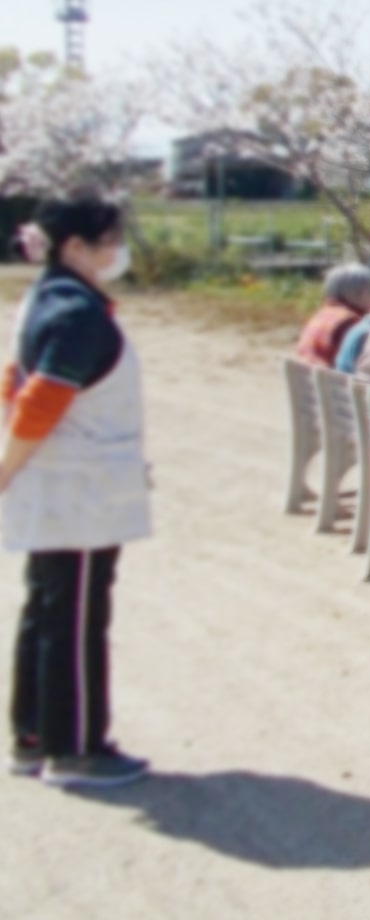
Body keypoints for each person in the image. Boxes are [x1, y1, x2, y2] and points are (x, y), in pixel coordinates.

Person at [3, 193, 151, 786]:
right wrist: (7, 466)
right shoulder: (77, 312)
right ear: (76, 247)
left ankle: (33, 735)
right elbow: (40, 399)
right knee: (77, 618)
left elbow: (16, 381)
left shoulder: (45, 299)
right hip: (80, 487)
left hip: (62, 481)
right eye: (110, 240)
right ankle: (76, 748)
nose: (118, 251)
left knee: (47, 609)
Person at [295, 263, 370, 369]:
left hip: (312, 380)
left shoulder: (323, 313)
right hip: (330, 382)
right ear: (356, 293)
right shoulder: (349, 321)